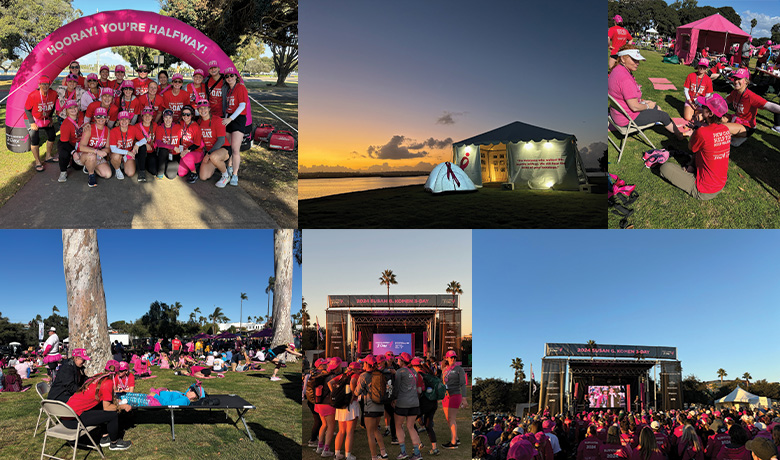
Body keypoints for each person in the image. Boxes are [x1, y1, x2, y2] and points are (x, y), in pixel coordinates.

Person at [609, 46, 685, 141]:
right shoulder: (625, 79)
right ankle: (680, 136)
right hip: (626, 119)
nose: (638, 63)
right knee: (663, 115)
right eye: (634, 60)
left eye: (638, 60)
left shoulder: (616, 70)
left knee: (656, 108)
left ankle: (659, 120)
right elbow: (634, 107)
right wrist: (648, 106)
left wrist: (644, 103)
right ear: (623, 59)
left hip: (617, 113)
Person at [65, 371, 133, 451]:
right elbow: (107, 407)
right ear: (116, 374)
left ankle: (105, 437)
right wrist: (123, 406)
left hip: (65, 416)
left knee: (100, 407)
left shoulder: (96, 378)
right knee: (112, 414)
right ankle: (114, 443)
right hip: (74, 420)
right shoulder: (107, 382)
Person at [723, 68, 780, 137]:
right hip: (736, 118)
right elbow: (724, 102)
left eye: (739, 79)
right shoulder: (734, 92)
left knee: (722, 128)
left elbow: (769, 105)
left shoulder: (751, 96)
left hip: (747, 126)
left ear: (746, 81)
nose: (736, 82)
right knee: (716, 120)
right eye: (735, 79)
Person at [357, 355, 389, 460]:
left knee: (370, 433)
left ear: (367, 364)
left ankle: (374, 457)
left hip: (369, 407)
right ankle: (383, 453)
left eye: (364, 363)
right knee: (376, 430)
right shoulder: (380, 373)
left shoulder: (364, 375)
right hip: (380, 406)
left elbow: (357, 391)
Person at [221, 66, 249, 186]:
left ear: (236, 77)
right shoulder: (228, 90)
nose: (229, 78)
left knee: (235, 149)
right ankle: (229, 166)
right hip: (229, 118)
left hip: (237, 119)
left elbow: (242, 106)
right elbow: (229, 106)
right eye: (227, 76)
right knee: (230, 146)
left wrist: (230, 119)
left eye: (231, 75)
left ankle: (235, 175)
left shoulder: (240, 88)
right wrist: (226, 118)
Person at [25, 76, 59, 172]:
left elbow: (53, 107)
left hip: (45, 118)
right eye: (42, 84)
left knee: (52, 135)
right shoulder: (33, 95)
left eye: (47, 84)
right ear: (39, 85)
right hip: (32, 118)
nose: (45, 86)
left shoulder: (53, 93)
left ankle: (48, 156)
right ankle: (37, 162)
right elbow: (26, 109)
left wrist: (50, 117)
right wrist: (32, 123)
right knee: (35, 139)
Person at [393, 352, 423, 460]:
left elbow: (396, 388)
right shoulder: (414, 371)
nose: (397, 361)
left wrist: (394, 398)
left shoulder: (400, 372)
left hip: (402, 403)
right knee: (411, 427)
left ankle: (403, 451)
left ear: (401, 361)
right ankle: (417, 453)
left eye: (398, 360)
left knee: (398, 426)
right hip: (414, 403)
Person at [196, 99, 232, 187]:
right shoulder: (199, 122)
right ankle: (217, 165)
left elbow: (221, 141)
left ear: (209, 109)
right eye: (200, 109)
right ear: (198, 111)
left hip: (223, 148)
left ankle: (225, 175)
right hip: (211, 152)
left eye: (205, 108)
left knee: (214, 157)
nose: (203, 110)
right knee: (203, 176)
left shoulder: (217, 120)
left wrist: (208, 154)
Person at [79, 106, 113, 187]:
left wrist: (103, 152)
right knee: (92, 156)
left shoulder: (107, 130)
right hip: (85, 154)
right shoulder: (89, 128)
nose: (101, 118)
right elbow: (81, 147)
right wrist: (97, 151)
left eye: (103, 116)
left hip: (98, 155)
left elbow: (108, 148)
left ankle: (89, 166)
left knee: (107, 174)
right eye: (98, 116)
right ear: (94, 118)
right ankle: (91, 175)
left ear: (107, 118)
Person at [333, 361, 361, 460]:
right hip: (351, 405)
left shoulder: (343, 375)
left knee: (341, 431)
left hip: (341, 405)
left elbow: (331, 382)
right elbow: (353, 382)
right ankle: (348, 455)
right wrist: (353, 394)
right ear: (357, 369)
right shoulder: (355, 375)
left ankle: (337, 454)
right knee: (349, 432)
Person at [56, 100, 86, 183]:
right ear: (66, 110)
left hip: (79, 143)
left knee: (77, 167)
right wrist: (73, 152)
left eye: (75, 107)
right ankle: (63, 171)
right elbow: (64, 142)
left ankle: (71, 161)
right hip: (67, 144)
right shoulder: (65, 124)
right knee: (64, 154)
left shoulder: (82, 115)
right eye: (70, 108)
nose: (73, 109)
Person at [152, 109, 183, 179]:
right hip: (163, 154)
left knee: (171, 176)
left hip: (174, 154)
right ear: (163, 118)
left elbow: (183, 139)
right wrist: (172, 147)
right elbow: (159, 143)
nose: (168, 120)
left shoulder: (177, 127)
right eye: (166, 117)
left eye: (170, 117)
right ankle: (160, 172)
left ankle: (167, 165)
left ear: (172, 119)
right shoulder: (160, 128)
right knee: (163, 150)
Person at [177, 105, 204, 183]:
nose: (186, 116)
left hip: (196, 152)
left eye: (188, 114)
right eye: (184, 114)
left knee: (186, 156)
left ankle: (194, 173)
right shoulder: (181, 123)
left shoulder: (195, 127)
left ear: (192, 115)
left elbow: (197, 144)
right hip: (185, 152)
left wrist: (186, 151)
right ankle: (192, 165)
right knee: (181, 173)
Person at [109, 111, 139, 180]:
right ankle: (117, 169)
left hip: (128, 154)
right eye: (121, 119)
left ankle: (123, 163)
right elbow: (113, 149)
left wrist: (137, 144)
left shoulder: (133, 128)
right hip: (118, 153)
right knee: (116, 156)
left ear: (129, 120)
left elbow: (143, 139)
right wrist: (127, 152)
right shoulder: (114, 131)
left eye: (126, 119)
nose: (124, 121)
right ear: (119, 121)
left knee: (130, 173)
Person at [132, 106, 156, 182]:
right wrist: (145, 144)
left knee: (153, 171)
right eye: (145, 115)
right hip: (140, 151)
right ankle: (141, 171)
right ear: (142, 116)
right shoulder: (136, 126)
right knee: (142, 147)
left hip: (151, 152)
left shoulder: (155, 126)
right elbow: (134, 141)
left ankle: (143, 163)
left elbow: (158, 140)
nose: (147, 117)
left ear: (152, 117)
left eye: (149, 115)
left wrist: (154, 146)